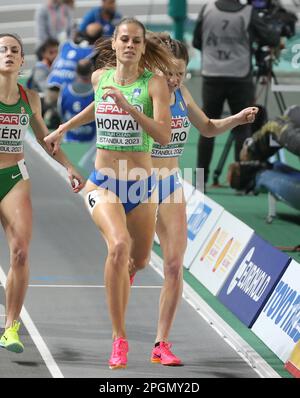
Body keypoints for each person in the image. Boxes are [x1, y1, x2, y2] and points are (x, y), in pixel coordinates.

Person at [44, 18, 173, 369]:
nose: (129, 45)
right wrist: (65, 127)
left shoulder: (155, 85)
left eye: (136, 41)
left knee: (141, 261)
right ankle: (119, 339)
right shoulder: (101, 78)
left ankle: (123, 276)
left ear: (144, 48)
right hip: (102, 183)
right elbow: (96, 108)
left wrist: (130, 108)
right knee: (118, 246)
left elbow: (162, 136)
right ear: (114, 45)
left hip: (141, 186)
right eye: (124, 39)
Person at [144, 34, 258, 366]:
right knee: (132, 261)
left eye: (180, 73)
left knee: (175, 264)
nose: (175, 79)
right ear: (155, 68)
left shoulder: (180, 93)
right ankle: (118, 334)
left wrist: (236, 119)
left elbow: (206, 127)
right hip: (137, 182)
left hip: (170, 184)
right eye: (169, 72)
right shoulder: (145, 92)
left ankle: (161, 343)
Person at [0, 33, 84, 353]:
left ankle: (10, 328)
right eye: (2, 49)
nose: (8, 54)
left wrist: (69, 167)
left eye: (14, 51)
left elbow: (45, 140)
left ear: (22, 61)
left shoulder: (30, 98)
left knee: (20, 251)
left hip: (13, 177)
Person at [192, 0, 280, 186]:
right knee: (243, 127)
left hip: (212, 75)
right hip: (239, 76)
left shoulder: (207, 9)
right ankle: (242, 183)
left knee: (205, 126)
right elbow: (271, 38)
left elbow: (197, 41)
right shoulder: (248, 12)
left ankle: (200, 182)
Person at [58, 59, 96, 142]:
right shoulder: (97, 92)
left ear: (76, 71)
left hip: (69, 141)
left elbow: (61, 114)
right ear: (92, 72)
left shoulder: (64, 90)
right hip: (91, 144)